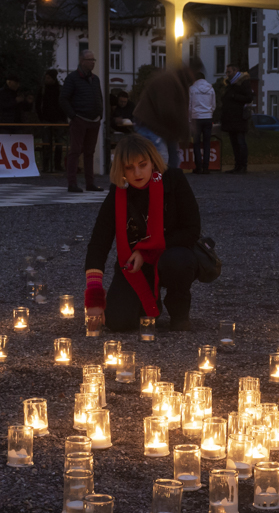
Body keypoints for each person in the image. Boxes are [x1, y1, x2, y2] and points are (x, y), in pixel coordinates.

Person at [83, 134, 202, 333]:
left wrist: (145, 251)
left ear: (153, 162)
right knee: (118, 322)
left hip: (171, 256)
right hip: (135, 267)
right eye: (129, 168)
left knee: (178, 261)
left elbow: (192, 230)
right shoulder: (118, 193)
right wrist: (94, 299)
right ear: (121, 169)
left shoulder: (173, 180)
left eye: (142, 164)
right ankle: (148, 302)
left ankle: (179, 313)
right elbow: (98, 244)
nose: (137, 173)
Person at [131, 62, 192, 164]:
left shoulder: (176, 82)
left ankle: (169, 178)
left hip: (156, 126)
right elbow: (167, 110)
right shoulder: (170, 81)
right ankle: (159, 178)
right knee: (161, 158)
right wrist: (184, 130)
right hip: (150, 125)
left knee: (171, 157)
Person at [61, 51, 105, 192]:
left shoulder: (95, 79)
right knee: (75, 151)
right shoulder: (72, 78)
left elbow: (99, 96)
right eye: (90, 59)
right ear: (82, 61)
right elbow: (63, 98)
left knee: (89, 152)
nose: (93, 62)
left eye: (94, 59)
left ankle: (89, 183)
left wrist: (100, 113)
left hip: (94, 120)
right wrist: (73, 116)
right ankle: (72, 183)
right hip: (80, 119)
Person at [220, 64, 255, 173]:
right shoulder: (231, 84)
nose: (227, 74)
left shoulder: (243, 83)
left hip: (239, 118)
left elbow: (249, 98)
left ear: (236, 71)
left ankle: (242, 165)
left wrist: (234, 97)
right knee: (235, 143)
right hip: (232, 118)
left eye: (229, 72)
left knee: (240, 142)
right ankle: (238, 165)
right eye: (227, 72)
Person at [186, 60, 216, 175]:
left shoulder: (192, 89)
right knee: (207, 143)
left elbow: (189, 106)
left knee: (197, 144)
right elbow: (213, 105)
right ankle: (206, 167)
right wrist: (209, 113)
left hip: (196, 118)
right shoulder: (211, 89)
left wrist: (189, 119)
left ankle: (198, 167)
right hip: (208, 118)